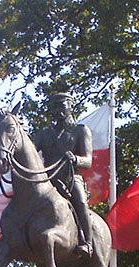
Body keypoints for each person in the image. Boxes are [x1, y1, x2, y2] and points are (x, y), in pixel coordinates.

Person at [32, 91, 94, 257]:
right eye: (55, 106)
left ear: (70, 106)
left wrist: (75, 159)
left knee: (80, 202)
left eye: (61, 105)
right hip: (49, 181)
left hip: (71, 178)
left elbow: (88, 161)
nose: (58, 110)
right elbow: (30, 150)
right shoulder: (45, 133)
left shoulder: (80, 130)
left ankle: (87, 242)